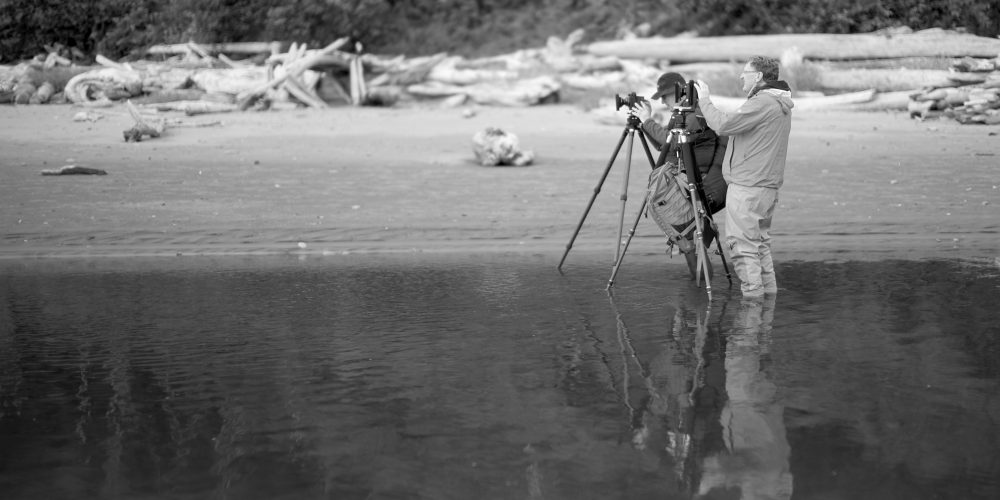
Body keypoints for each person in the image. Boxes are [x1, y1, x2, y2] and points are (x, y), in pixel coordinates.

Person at [693, 56, 793, 297]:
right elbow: (735, 124)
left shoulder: (762, 103)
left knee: (743, 248)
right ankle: (766, 307)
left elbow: (723, 126)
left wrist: (705, 101)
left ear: (758, 76)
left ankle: (751, 311)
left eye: (745, 72)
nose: (740, 76)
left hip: (748, 187)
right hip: (764, 187)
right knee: (759, 247)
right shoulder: (776, 102)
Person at [631, 72, 729, 279]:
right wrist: (644, 123)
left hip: (706, 188)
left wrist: (648, 121)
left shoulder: (696, 112)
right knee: (684, 233)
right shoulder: (683, 113)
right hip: (693, 183)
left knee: (683, 232)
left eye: (664, 98)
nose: (664, 104)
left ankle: (701, 287)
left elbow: (673, 142)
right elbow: (664, 146)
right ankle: (699, 277)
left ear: (676, 91)